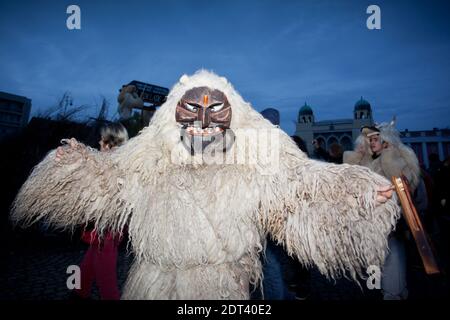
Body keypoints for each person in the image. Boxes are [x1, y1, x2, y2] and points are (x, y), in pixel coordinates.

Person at [12, 70, 398, 300]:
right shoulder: (151, 160)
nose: (201, 123)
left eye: (213, 114)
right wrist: (75, 164)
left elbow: (301, 188)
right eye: (191, 114)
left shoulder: (253, 165)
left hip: (224, 286)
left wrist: (357, 194)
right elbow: (109, 181)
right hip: (156, 283)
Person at [344, 121, 421, 300]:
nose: (372, 142)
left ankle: (393, 293)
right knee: (375, 273)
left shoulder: (400, 160)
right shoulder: (367, 163)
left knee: (392, 272)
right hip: (369, 228)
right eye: (368, 139)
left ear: (386, 140)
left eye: (376, 138)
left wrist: (389, 156)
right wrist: (356, 156)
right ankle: (389, 291)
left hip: (393, 227)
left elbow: (406, 186)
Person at [69, 122, 129, 300]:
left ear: (112, 142)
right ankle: (78, 292)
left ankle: (79, 292)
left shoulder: (114, 166)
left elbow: (93, 169)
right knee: (89, 262)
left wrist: (78, 154)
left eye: (103, 140)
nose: (99, 142)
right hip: (104, 229)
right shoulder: (114, 163)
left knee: (106, 279)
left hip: (106, 231)